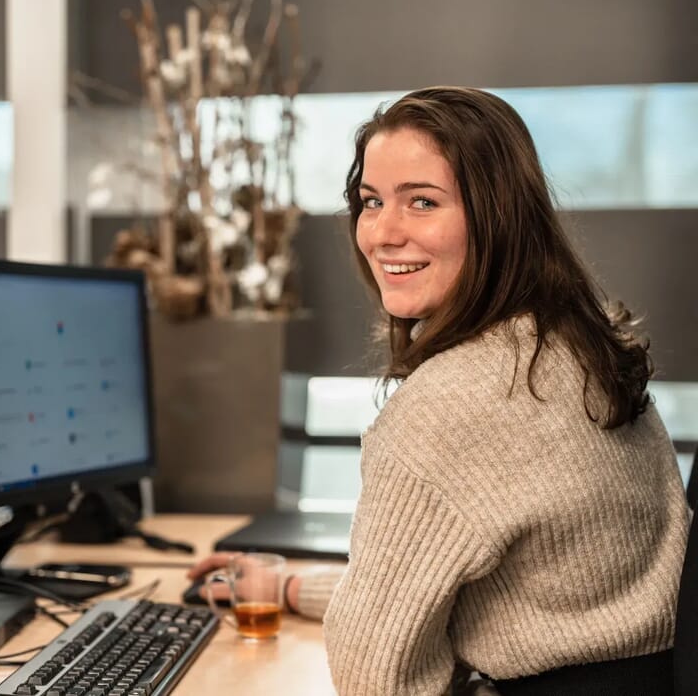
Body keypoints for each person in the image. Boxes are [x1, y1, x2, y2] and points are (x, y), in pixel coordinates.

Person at [188, 87, 689, 695]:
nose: (382, 232)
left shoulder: (448, 408)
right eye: (371, 201)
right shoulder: (581, 345)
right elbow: (469, 598)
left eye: (422, 202)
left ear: (498, 218)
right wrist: (290, 587)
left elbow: (377, 677)